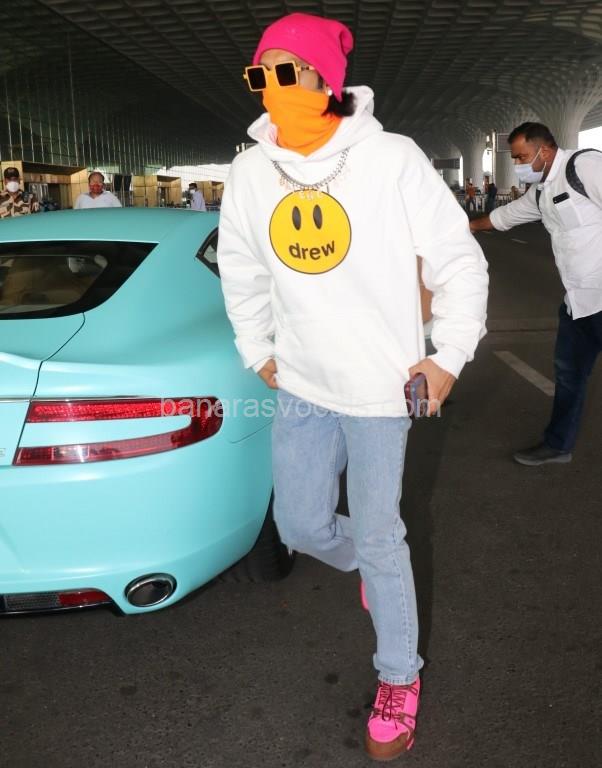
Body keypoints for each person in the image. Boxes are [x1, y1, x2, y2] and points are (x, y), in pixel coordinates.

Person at [217, 12, 488, 761]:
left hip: (379, 390)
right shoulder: (250, 172)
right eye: (259, 75)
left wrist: (448, 354)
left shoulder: (392, 159)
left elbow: (458, 260)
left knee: (380, 533)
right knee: (301, 526)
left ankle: (398, 676)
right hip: (302, 384)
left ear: (325, 79)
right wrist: (256, 347)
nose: (272, 87)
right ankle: (372, 568)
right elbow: (241, 268)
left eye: (287, 71)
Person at [471, 122, 602, 465]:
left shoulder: (585, 167)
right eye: (515, 158)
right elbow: (505, 216)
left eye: (521, 156)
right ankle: (558, 445)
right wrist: (465, 227)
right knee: (569, 377)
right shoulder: (542, 191)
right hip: (577, 305)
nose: (517, 164)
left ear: (543, 150)